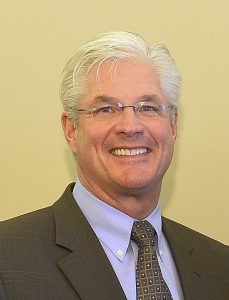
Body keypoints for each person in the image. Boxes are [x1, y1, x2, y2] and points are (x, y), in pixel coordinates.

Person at [0, 31, 228, 300]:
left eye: (148, 107)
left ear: (173, 125)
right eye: (106, 109)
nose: (130, 127)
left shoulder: (219, 267)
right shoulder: (8, 261)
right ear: (71, 129)